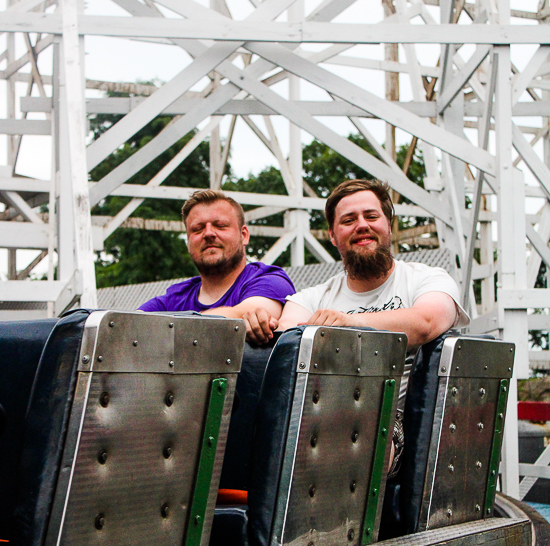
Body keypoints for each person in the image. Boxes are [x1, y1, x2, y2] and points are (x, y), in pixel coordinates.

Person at [244, 178, 470, 473]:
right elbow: (285, 338)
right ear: (333, 235)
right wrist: (257, 325)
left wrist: (352, 322)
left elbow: (428, 321)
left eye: (371, 216)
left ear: (388, 224)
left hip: (388, 420)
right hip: (312, 416)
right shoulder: (311, 298)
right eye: (348, 220)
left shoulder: (426, 279)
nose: (361, 225)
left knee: (355, 438)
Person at [139, 189, 295, 339]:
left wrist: (161, 331)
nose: (208, 233)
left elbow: (238, 317)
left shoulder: (270, 281)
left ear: (244, 235)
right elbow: (125, 328)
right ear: (188, 241)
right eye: (197, 229)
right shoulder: (172, 300)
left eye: (220, 225)